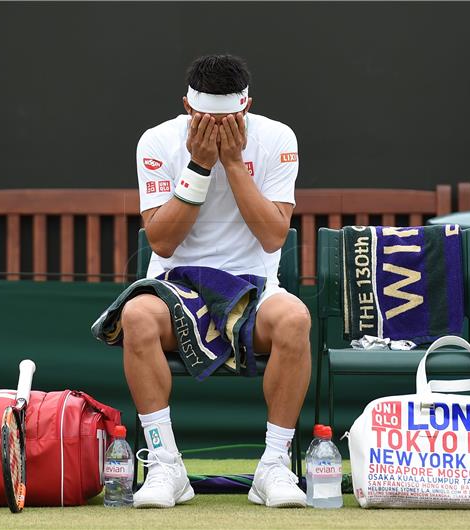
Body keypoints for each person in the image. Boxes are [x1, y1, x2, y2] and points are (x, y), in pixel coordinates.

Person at [122, 54, 310, 508]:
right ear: (187, 108)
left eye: (229, 119)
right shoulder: (156, 141)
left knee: (295, 319)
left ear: (246, 110)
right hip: (177, 284)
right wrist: (199, 166)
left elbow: (271, 235)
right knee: (136, 314)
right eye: (207, 120)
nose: (219, 127)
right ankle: (166, 465)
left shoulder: (278, 137)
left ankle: (274, 465)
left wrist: (233, 163)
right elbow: (162, 244)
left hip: (255, 286)